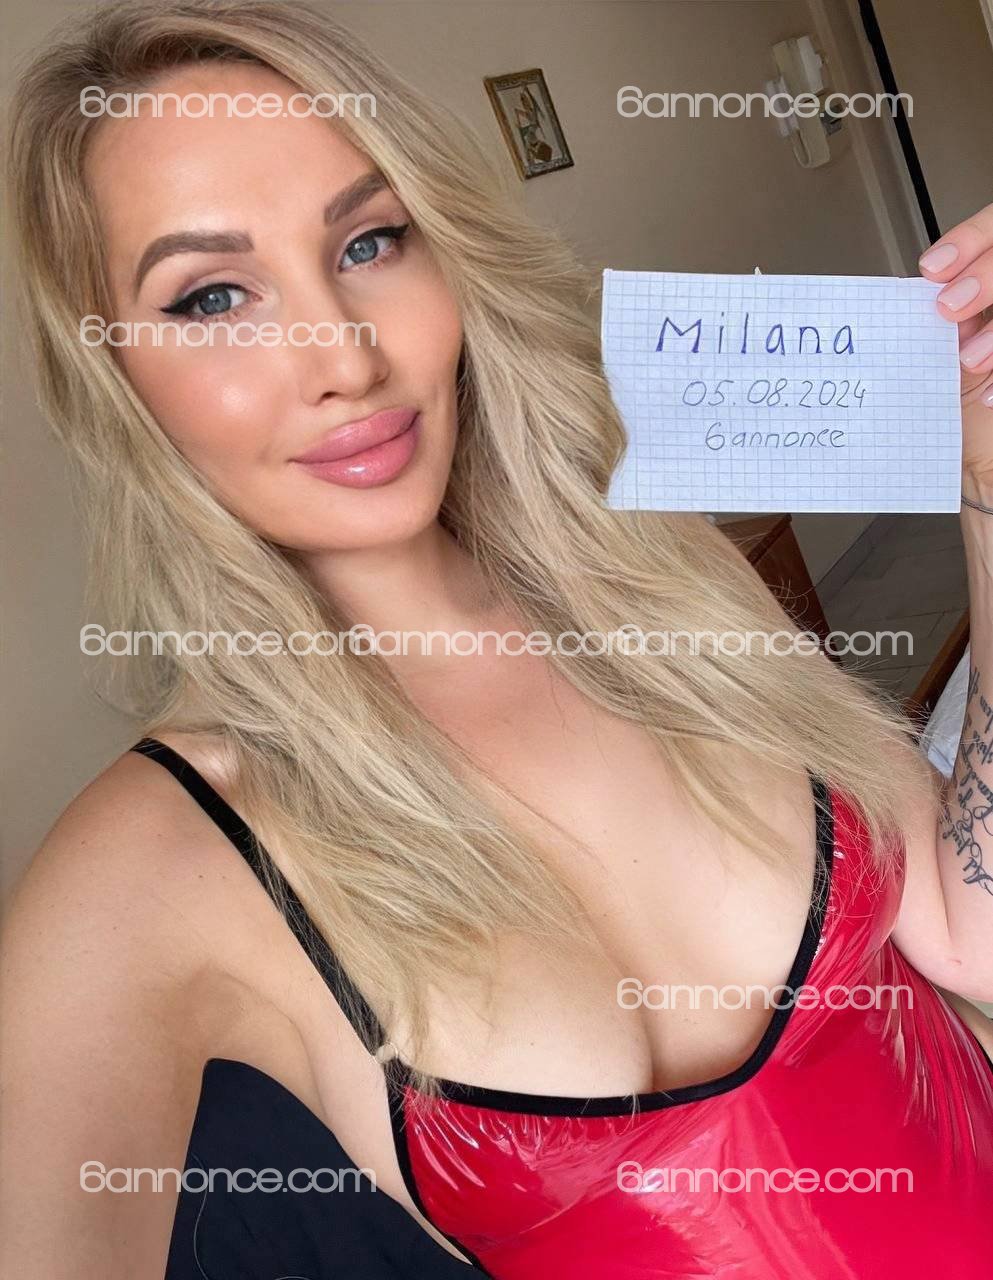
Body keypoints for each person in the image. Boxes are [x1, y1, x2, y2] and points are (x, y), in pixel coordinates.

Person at [2, 2, 993, 1276]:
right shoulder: (150, 866)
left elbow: (967, 933)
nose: (345, 356)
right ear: (114, 376)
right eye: (212, 298)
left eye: (368, 241)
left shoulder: (660, 580)